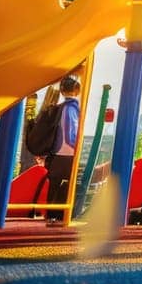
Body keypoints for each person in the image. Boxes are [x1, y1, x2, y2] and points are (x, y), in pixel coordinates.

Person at [43, 75, 82, 227]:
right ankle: (59, 215)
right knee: (69, 184)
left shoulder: (61, 108)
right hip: (66, 153)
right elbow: (69, 132)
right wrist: (76, 147)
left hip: (58, 152)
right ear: (77, 91)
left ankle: (52, 215)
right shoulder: (70, 109)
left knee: (55, 185)